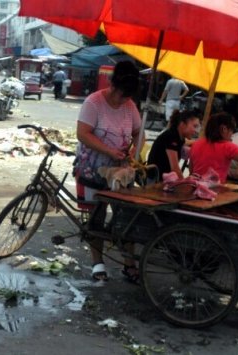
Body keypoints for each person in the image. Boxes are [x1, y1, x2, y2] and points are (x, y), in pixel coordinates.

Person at [74, 60, 142, 283]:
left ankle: (129, 264)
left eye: (128, 96)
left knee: (126, 217)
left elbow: (138, 133)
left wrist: (134, 152)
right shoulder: (94, 102)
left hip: (120, 172)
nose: (124, 100)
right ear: (113, 85)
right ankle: (97, 263)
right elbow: (83, 134)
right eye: (122, 94)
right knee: (97, 216)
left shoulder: (130, 106)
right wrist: (109, 151)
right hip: (93, 168)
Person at [189, 112, 238, 183]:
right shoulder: (227, 146)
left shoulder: (196, 144)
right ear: (224, 129)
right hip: (214, 192)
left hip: (195, 187)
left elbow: (191, 171)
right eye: (231, 130)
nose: (232, 134)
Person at [147, 110, 200, 180]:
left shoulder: (179, 137)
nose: (196, 131)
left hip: (164, 177)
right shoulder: (171, 137)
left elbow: (186, 143)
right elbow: (175, 168)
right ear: (182, 124)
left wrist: (198, 143)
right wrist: (184, 183)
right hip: (156, 180)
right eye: (194, 126)